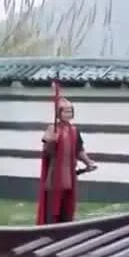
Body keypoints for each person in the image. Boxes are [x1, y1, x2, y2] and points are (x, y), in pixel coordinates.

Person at [38, 96, 97, 225]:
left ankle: (65, 228)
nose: (68, 114)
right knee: (53, 208)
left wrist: (88, 162)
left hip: (69, 175)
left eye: (70, 111)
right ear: (58, 113)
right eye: (65, 111)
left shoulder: (74, 131)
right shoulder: (52, 129)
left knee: (67, 208)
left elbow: (78, 150)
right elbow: (47, 152)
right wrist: (51, 141)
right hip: (54, 175)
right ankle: (50, 229)